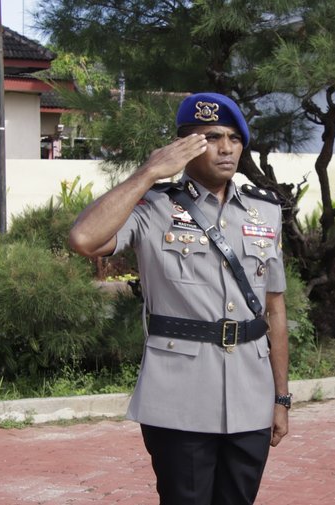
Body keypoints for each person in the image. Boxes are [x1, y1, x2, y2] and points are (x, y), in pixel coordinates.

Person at [68, 92, 290, 505]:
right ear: (183, 147)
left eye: (234, 138)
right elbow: (84, 239)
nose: (226, 148)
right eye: (211, 138)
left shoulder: (265, 212)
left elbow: (274, 309)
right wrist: (148, 172)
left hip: (251, 394)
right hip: (180, 394)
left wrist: (281, 397)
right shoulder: (153, 207)